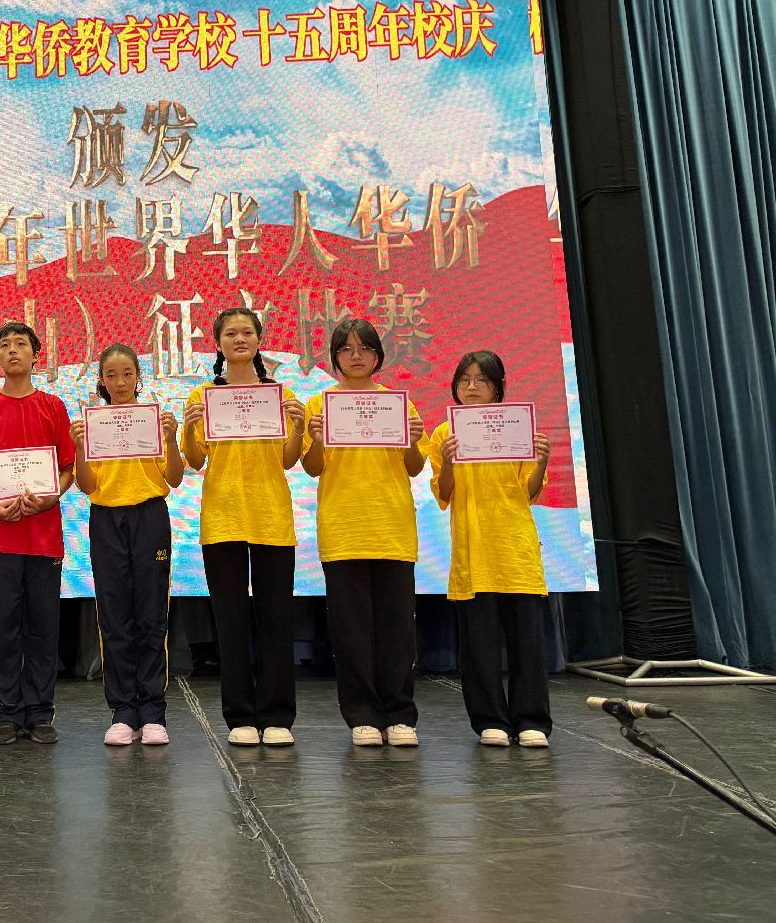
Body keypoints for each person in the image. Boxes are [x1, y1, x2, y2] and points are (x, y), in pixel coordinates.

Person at [180, 309, 307, 747]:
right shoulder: (203, 395)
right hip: (223, 517)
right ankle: (239, 717)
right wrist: (190, 427)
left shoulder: (281, 394)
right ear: (217, 343)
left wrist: (299, 426)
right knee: (230, 621)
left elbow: (289, 459)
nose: (239, 339)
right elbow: (195, 459)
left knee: (276, 618)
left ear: (258, 340)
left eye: (247, 332)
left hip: (272, 517)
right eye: (230, 333)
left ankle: (277, 716)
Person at [302, 318, 426, 748]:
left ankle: (399, 714)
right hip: (343, 527)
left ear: (378, 355)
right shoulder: (320, 404)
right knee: (351, 631)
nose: (356, 356)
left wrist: (412, 440)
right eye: (346, 349)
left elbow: (414, 467)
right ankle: (362, 716)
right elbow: (312, 467)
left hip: (392, 526)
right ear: (335, 357)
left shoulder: (398, 404)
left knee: (397, 628)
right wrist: (317, 438)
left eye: (365, 348)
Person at [0, 322, 75, 746]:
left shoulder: (53, 406)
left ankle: (39, 711)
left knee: (42, 626)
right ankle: (6, 711)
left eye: (21, 344)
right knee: (0, 625)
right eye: (5, 345)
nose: (13, 350)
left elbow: (68, 467)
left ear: (36, 355)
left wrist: (51, 496)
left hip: (43, 535)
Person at [428, 351, 554, 748]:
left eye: (482, 380)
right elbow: (444, 492)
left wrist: (541, 461)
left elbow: (529, 492)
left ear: (498, 387)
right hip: (473, 549)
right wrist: (448, 461)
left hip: (515, 548)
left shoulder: (517, 426)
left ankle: (531, 720)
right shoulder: (443, 434)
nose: (472, 387)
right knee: (478, 645)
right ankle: (490, 721)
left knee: (526, 643)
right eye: (464, 379)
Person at [71, 343, 184, 746]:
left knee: (151, 616)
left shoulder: (152, 421)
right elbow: (86, 485)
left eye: (127, 374)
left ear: (138, 378)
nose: (120, 382)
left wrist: (171, 439)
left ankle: (152, 712)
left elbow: (175, 478)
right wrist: (80, 446)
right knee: (114, 616)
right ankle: (122, 712)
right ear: (101, 381)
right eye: (111, 375)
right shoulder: (94, 424)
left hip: (150, 517)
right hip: (106, 520)